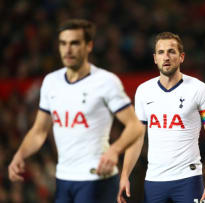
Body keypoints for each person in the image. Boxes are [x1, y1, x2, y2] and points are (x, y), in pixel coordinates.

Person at [8, 19, 145, 203]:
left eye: (74, 43)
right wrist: (20, 154)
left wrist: (114, 150)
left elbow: (135, 126)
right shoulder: (51, 82)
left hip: (97, 178)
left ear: (89, 46)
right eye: (63, 43)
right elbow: (39, 131)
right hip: (64, 178)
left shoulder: (106, 82)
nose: (68, 49)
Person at [117, 32, 205, 203]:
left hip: (188, 179)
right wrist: (124, 176)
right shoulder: (143, 91)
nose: (166, 57)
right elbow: (137, 138)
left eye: (171, 52)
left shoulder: (200, 89)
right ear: (154, 58)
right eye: (161, 52)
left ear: (182, 57)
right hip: (154, 180)